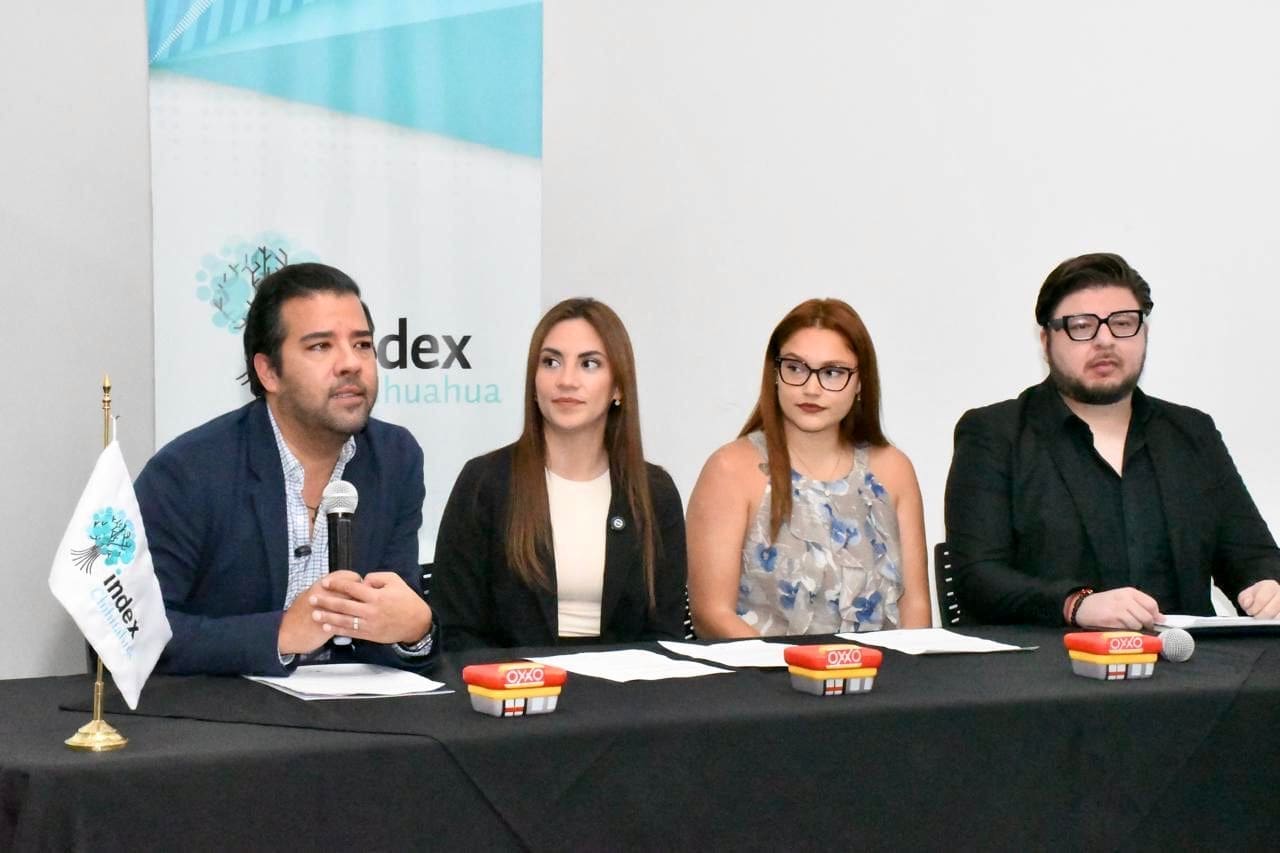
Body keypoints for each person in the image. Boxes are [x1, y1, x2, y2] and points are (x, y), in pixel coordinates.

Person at [945, 252, 1280, 628]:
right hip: (1051, 660)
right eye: (1081, 326)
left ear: (1144, 333)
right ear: (1046, 340)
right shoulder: (995, 434)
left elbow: (1253, 555)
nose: (1105, 340)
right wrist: (1074, 604)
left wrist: (1267, 585)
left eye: (1123, 323)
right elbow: (977, 577)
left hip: (1189, 659)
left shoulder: (1192, 433)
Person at [135, 262, 435, 675]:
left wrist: (415, 632)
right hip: (226, 709)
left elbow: (394, 612)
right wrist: (280, 634)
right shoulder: (188, 472)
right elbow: (134, 634)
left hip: (354, 705)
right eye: (321, 346)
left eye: (363, 344)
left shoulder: (395, 458)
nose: (351, 363)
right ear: (269, 372)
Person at [432, 298, 687, 650]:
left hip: (627, 683)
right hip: (509, 679)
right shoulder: (484, 482)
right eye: (551, 362)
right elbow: (456, 628)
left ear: (618, 387)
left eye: (589, 364)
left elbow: (667, 633)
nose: (566, 381)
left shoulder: (654, 492)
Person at [686, 298, 930, 638]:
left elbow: (915, 607)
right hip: (763, 668)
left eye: (832, 372)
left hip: (882, 668)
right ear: (775, 373)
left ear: (860, 382)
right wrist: (793, 664)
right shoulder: (730, 470)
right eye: (796, 368)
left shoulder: (893, 469)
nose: (811, 388)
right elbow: (711, 613)